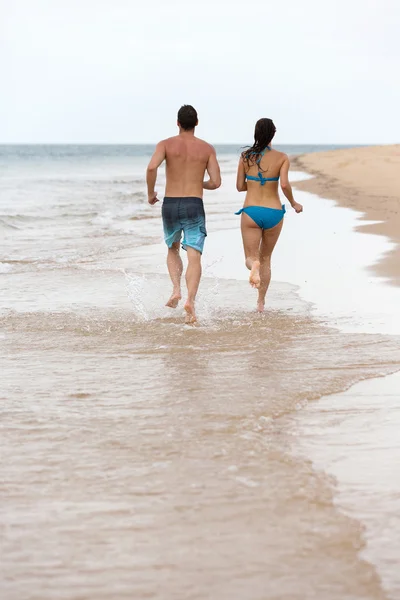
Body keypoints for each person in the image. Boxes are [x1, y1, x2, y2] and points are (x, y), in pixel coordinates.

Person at [146, 105, 221, 323]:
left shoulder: (166, 144)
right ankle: (190, 301)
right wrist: (199, 182)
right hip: (193, 204)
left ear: (177, 123)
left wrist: (151, 194)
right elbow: (216, 182)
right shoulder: (207, 149)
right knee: (194, 254)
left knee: (172, 248)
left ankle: (176, 290)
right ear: (196, 123)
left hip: (170, 204)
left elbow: (151, 168)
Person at [236, 118, 303, 312]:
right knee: (266, 257)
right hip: (274, 212)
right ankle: (260, 303)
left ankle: (253, 266)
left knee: (251, 257)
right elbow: (284, 185)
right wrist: (294, 203)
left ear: (255, 133)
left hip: (251, 212)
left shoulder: (245, 157)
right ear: (273, 133)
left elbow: (240, 186)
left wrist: (255, 184)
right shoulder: (282, 157)